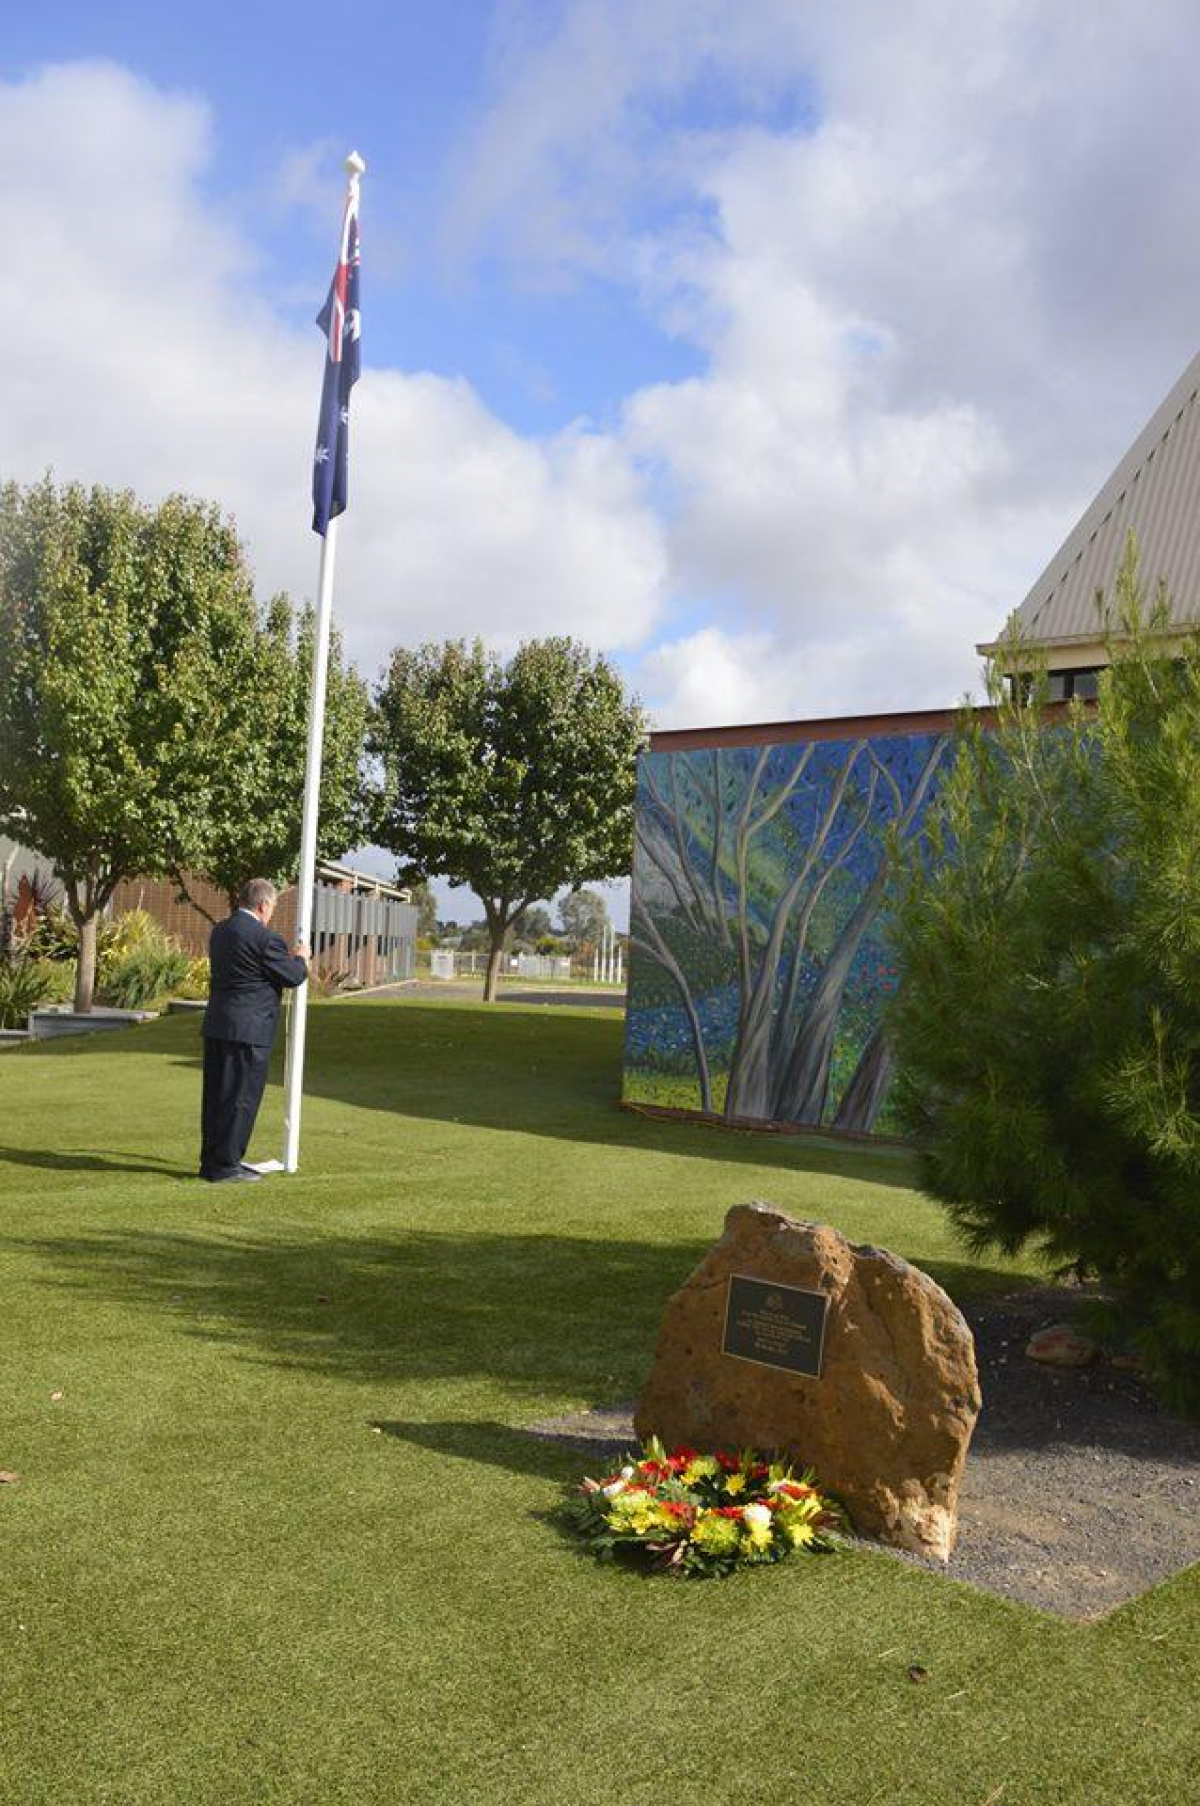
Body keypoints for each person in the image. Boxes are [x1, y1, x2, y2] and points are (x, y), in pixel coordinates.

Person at [199, 878, 310, 1182]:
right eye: (272, 907)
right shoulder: (265, 939)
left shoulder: (220, 931)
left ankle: (212, 1161)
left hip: (218, 1024)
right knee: (241, 1098)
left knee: (215, 1097)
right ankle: (226, 1165)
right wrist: (301, 957)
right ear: (263, 905)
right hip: (249, 1029)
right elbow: (293, 976)